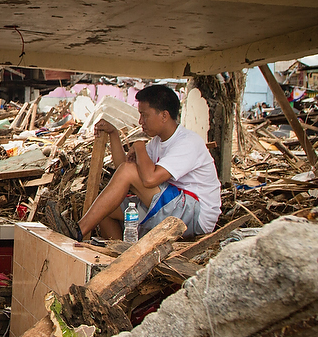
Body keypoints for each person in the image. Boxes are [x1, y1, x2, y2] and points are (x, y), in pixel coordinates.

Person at [77, 85, 221, 241]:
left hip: (196, 215)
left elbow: (149, 179)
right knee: (104, 210)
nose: (140, 121)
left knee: (128, 178)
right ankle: (121, 256)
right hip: (173, 205)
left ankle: (77, 231)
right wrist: (114, 134)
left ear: (164, 116)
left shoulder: (188, 142)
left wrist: (139, 146)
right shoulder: (157, 142)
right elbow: (123, 172)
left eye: (144, 115)